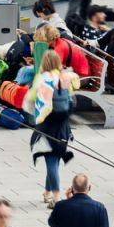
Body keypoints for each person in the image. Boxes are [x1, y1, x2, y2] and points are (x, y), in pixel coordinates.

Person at [29, 49, 78, 209]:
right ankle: (47, 192)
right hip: (63, 125)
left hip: (47, 124)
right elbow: (71, 99)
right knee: (54, 158)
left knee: (50, 160)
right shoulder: (64, 77)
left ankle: (56, 198)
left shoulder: (41, 78)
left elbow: (33, 98)